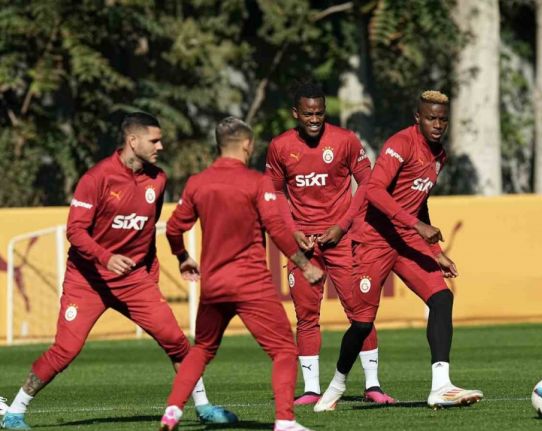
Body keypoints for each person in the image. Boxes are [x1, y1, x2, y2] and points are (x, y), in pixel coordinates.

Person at [0, 113, 236, 430]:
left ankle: (204, 407)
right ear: (132, 141)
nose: (161, 146)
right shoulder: (97, 178)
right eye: (154, 140)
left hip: (134, 281)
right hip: (88, 280)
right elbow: (75, 231)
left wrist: (176, 258)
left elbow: (146, 231)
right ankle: (14, 412)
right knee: (66, 350)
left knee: (176, 341)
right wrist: (106, 257)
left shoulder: (158, 179)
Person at [314, 91, 483, 412]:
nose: (437, 125)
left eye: (443, 119)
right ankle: (336, 386)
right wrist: (417, 227)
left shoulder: (439, 155)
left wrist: (435, 251)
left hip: (406, 240)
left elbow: (419, 202)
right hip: (374, 239)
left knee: (441, 298)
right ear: (417, 118)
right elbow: (373, 190)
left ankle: (441, 386)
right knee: (362, 324)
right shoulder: (401, 144)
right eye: (431, 118)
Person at [159, 117, 324, 431]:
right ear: (247, 145)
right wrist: (305, 265)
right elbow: (276, 228)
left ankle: (172, 412)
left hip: (214, 284)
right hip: (250, 283)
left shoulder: (197, 183)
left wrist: (182, 256)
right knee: (284, 350)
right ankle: (285, 421)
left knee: (202, 349)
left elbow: (173, 228)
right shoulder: (256, 181)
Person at [265, 81, 393, 405]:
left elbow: (368, 182)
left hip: (342, 240)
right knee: (306, 316)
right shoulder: (280, 147)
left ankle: (373, 386)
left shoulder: (345, 140)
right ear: (296, 113)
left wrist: (342, 225)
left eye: (319, 113)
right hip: (303, 246)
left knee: (361, 313)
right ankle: (311, 389)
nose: (314, 120)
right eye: (308, 114)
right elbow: (276, 192)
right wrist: (292, 231)